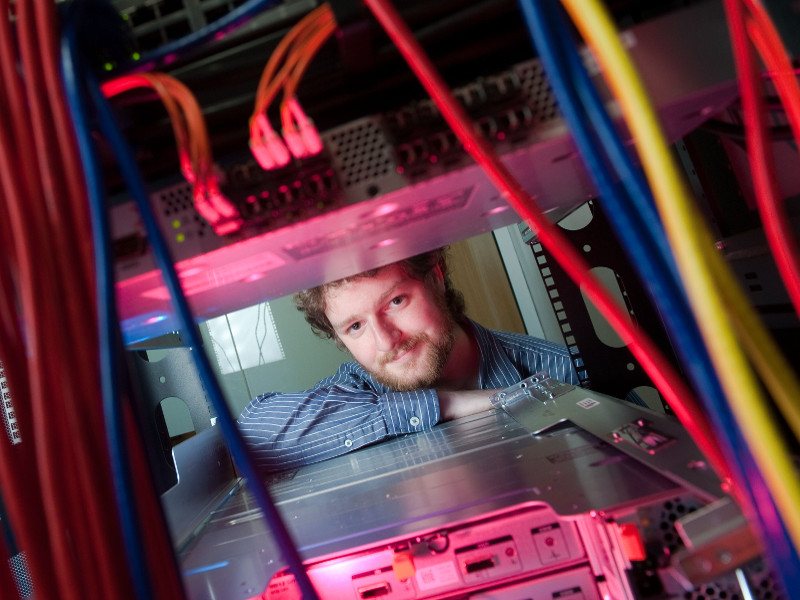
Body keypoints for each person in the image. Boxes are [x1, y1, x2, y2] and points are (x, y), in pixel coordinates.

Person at [238, 247, 579, 471]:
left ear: (436, 277)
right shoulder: (354, 389)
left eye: (396, 302)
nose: (386, 340)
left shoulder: (563, 372)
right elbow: (253, 432)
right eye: (356, 326)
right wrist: (445, 404)